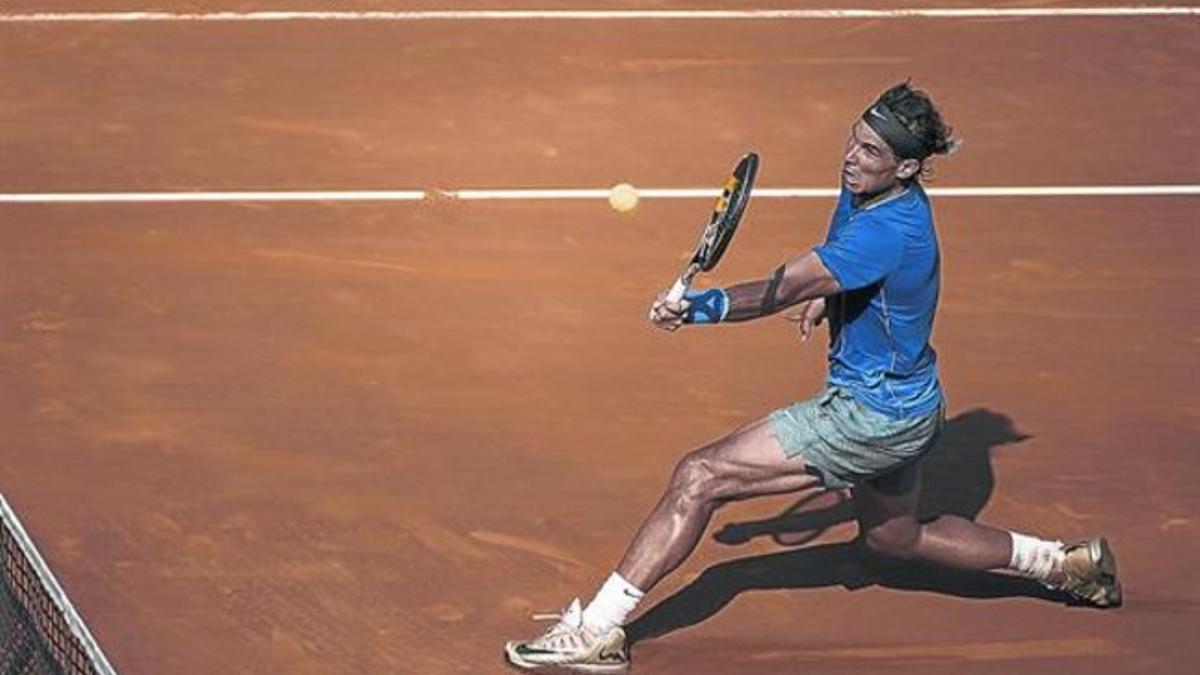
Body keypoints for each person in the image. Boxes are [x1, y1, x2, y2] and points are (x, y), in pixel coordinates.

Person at [503, 82, 1121, 672]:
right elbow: (838, 260)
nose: (853, 158)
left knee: (700, 476)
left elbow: (785, 286)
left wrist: (698, 307)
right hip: (912, 405)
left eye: (872, 152)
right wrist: (837, 295)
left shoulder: (888, 231)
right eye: (853, 141)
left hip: (869, 415)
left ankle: (596, 633)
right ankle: (1063, 563)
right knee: (895, 540)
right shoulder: (871, 188)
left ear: (906, 168)